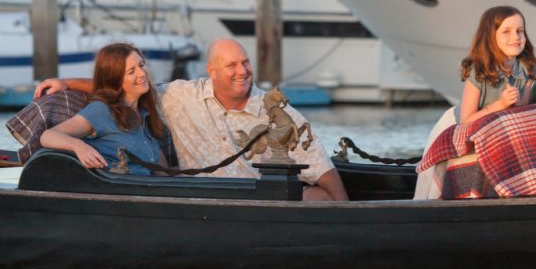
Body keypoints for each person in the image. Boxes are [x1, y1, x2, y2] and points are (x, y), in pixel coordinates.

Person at [34, 38, 350, 202]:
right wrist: (66, 83)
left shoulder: (277, 112)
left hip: (256, 203)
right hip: (203, 201)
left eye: (245, 62)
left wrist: (345, 217)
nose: (241, 71)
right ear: (211, 72)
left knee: (320, 197)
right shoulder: (182, 96)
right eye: (231, 66)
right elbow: (119, 84)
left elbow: (321, 166)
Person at [38, 43, 169, 174]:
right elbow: (48, 135)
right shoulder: (102, 111)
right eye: (131, 71)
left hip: (149, 189)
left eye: (141, 65)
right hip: (119, 190)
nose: (142, 73)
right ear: (116, 80)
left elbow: (163, 173)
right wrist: (78, 146)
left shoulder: (144, 112)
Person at [458, 5, 536, 124]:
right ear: (490, 37)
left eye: (520, 31)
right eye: (506, 31)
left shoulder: (528, 68)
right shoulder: (478, 71)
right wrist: (501, 104)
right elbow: (466, 121)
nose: (516, 37)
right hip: (478, 125)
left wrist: (517, 103)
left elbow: (523, 108)